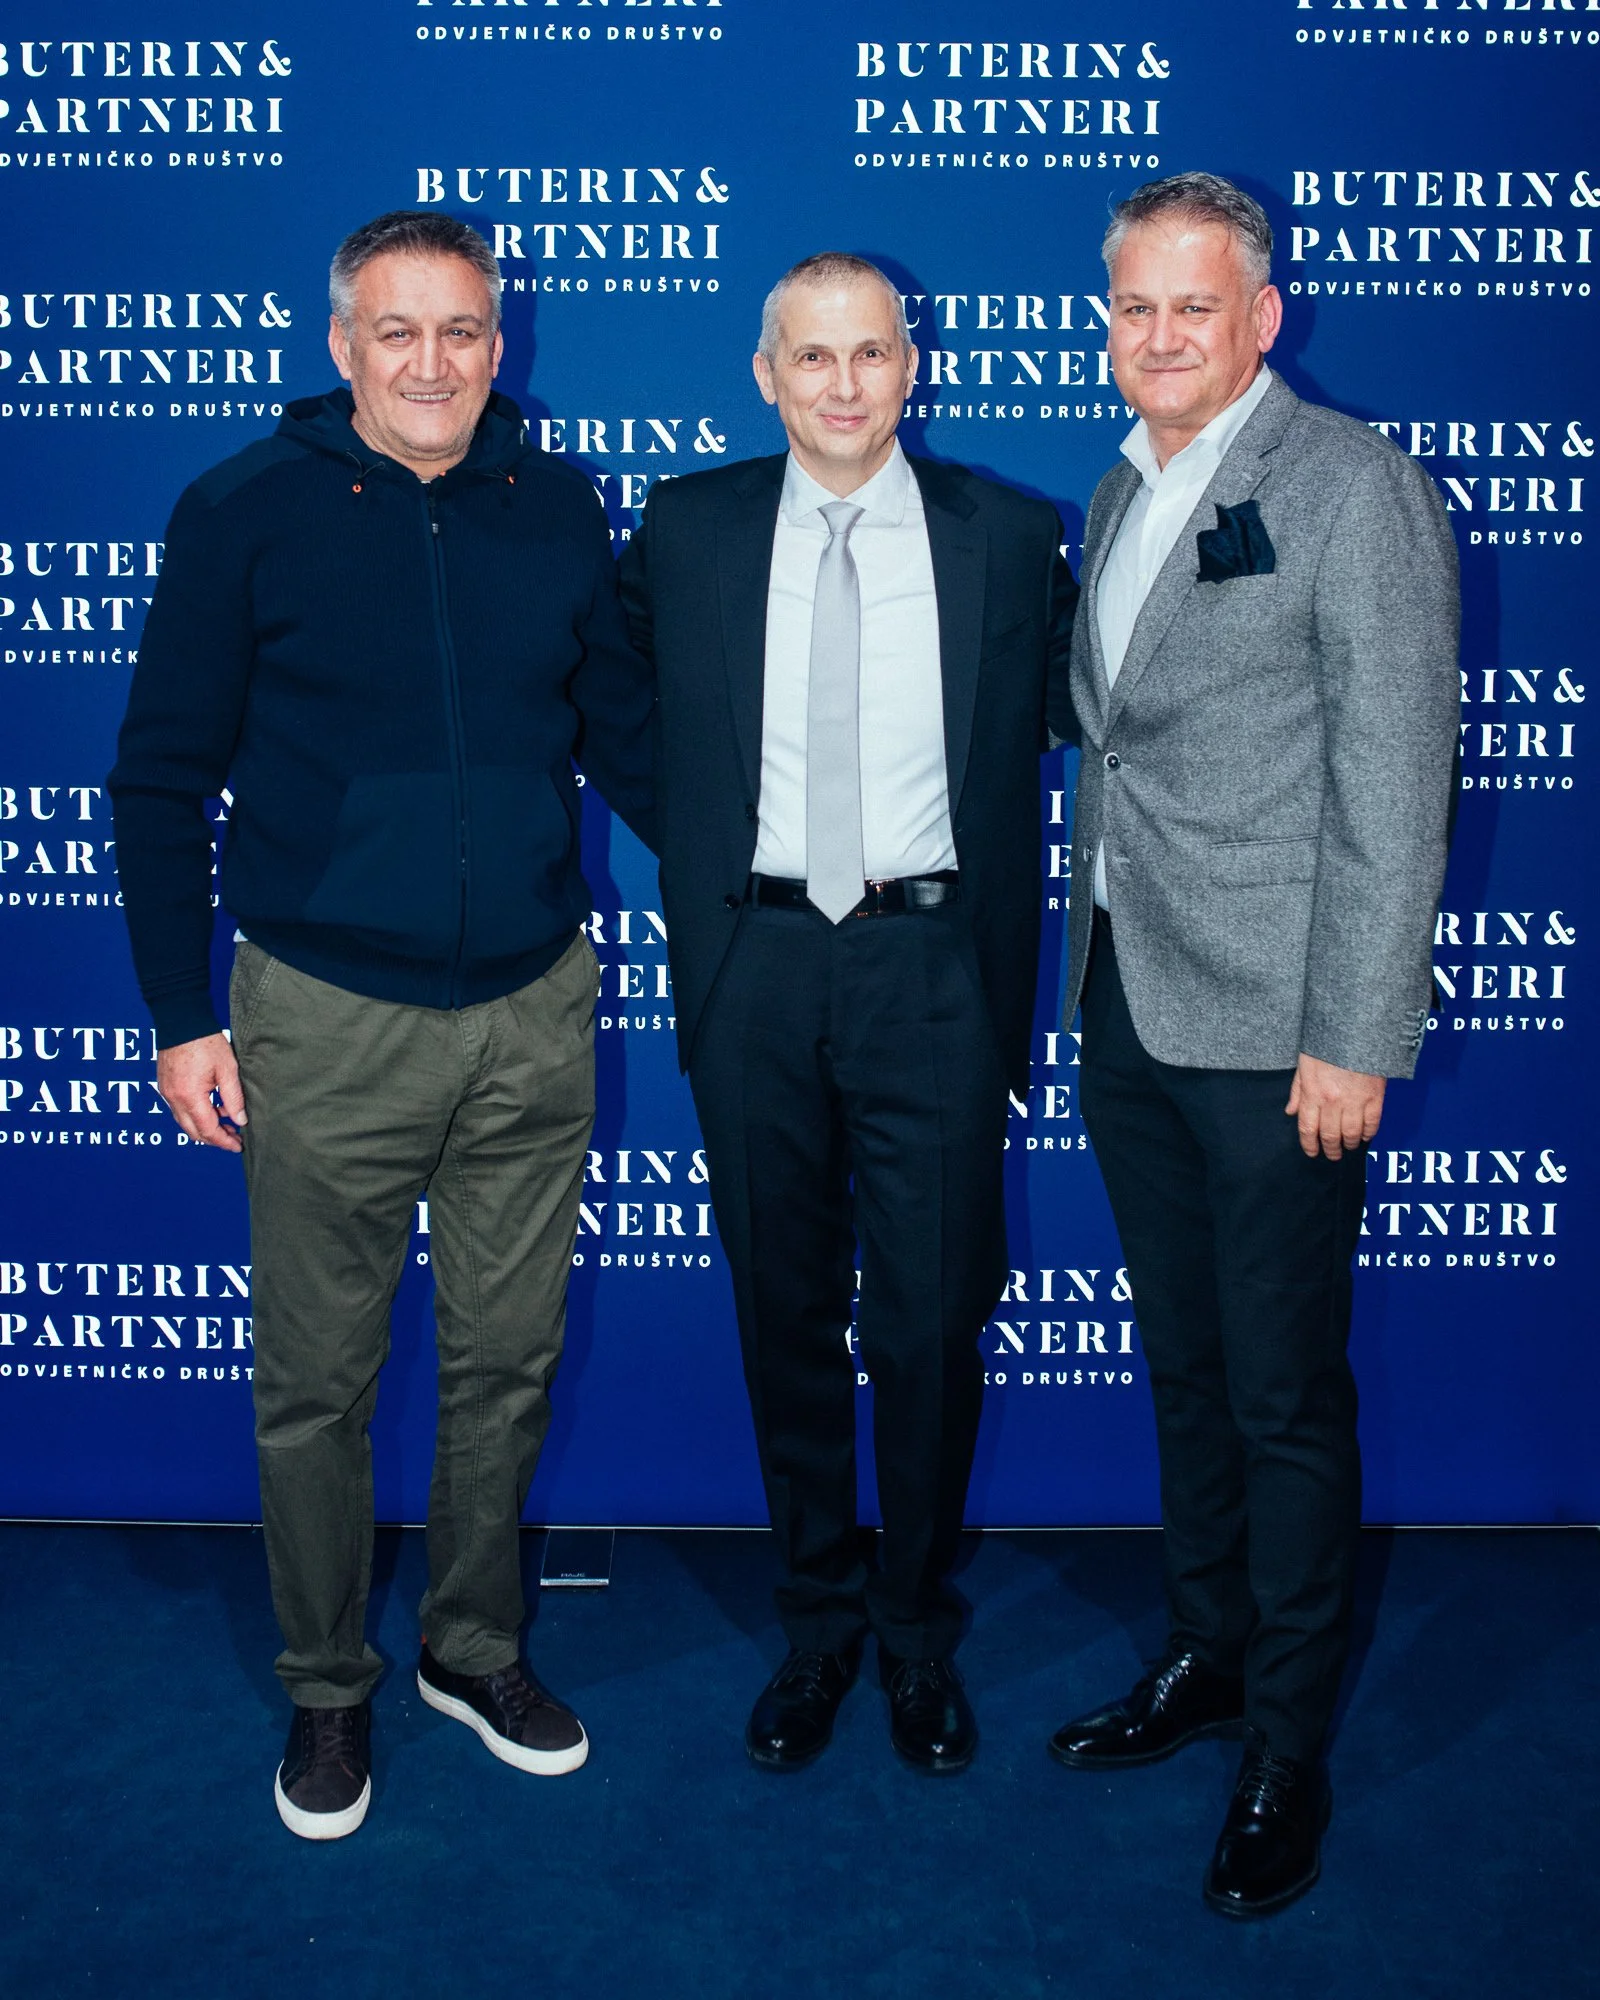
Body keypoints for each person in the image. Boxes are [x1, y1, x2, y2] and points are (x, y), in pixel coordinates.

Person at [108, 211, 655, 1841]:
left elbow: (625, 739)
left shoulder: (558, 504)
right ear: (342, 345)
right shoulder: (242, 511)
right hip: (325, 1018)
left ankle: (472, 1651)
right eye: (397, 331)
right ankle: (328, 1684)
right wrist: (177, 1013)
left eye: (462, 330)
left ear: (501, 345)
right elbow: (157, 778)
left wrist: (780, 871)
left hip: (532, 1009)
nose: (432, 362)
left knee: (507, 1361)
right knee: (318, 1382)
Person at [1047, 174, 1459, 1915]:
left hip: (1284, 1034)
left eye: (1193, 307)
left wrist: (1352, 1036)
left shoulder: (1353, 486)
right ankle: (1207, 1656)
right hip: (1130, 1002)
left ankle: (1288, 1743)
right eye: (1135, 307)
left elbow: (1394, 779)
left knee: (1284, 1395)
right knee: (1189, 1368)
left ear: (1262, 317)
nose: (1160, 336)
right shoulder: (1120, 485)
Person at [620, 252, 1076, 1774]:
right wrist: (712, 846)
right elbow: (611, 703)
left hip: (931, 968)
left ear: (911, 366)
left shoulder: (1009, 535)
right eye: (810, 356)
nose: (841, 383)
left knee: (934, 1320)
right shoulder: (685, 528)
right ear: (765, 375)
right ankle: (817, 1623)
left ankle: (915, 1632)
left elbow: (1089, 713)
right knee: (784, 1310)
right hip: (754, 963)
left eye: (870, 352)